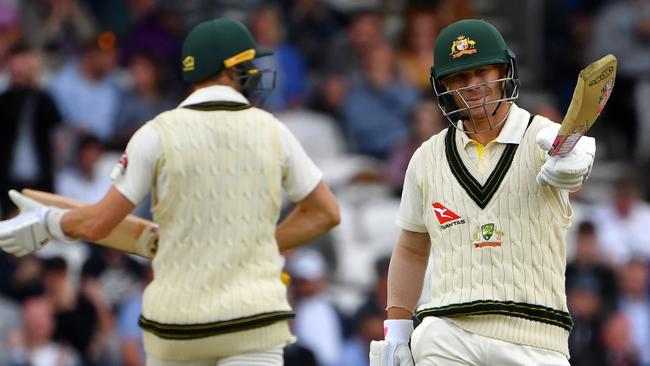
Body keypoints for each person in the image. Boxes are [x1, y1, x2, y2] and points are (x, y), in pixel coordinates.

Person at [0, 17, 340, 366]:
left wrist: (47, 224)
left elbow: (97, 224)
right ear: (227, 68)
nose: (252, 71)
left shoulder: (155, 134)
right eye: (245, 63)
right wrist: (255, 246)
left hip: (178, 327)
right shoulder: (274, 131)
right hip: (252, 322)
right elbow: (326, 212)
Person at [369, 19, 596, 365]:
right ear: (443, 85)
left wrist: (571, 166)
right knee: (432, 333)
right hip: (448, 332)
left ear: (504, 71)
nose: (472, 86)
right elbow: (412, 249)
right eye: (459, 78)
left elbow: (574, 163)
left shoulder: (544, 137)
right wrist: (398, 332)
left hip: (535, 335)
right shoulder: (427, 157)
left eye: (482, 73)